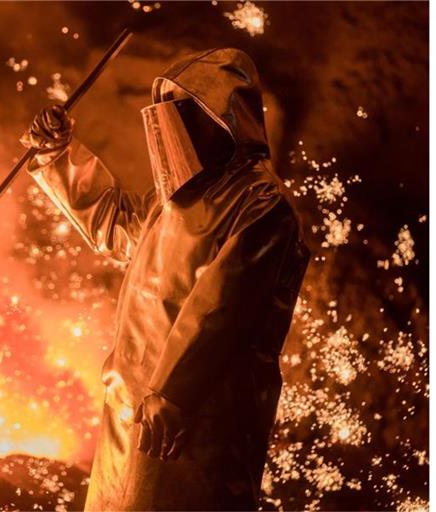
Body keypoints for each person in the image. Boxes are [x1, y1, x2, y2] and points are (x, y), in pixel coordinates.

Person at [21, 48, 309, 511]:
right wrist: (58, 155)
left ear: (223, 119)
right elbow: (113, 222)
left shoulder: (260, 204)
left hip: (196, 418)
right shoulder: (171, 202)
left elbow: (221, 307)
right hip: (133, 405)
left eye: (185, 110)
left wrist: (174, 393)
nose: (171, 124)